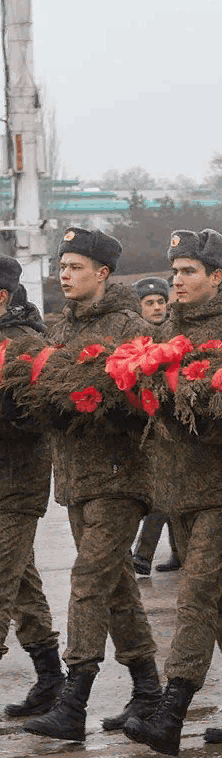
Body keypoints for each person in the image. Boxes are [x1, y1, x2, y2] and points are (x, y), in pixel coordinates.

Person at [123, 229, 222, 756]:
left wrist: (199, 407)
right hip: (180, 487)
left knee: (196, 596)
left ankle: (172, 709)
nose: (177, 280)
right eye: (175, 270)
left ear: (217, 277)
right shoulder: (166, 330)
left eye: (189, 271)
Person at [24, 228, 161, 742]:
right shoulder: (60, 329)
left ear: (102, 273)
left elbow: (140, 399)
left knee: (87, 583)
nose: (64, 274)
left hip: (120, 477)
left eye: (75, 266)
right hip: (78, 478)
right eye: (61, 266)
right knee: (117, 588)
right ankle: (148, 691)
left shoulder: (128, 326)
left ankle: (73, 700)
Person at [0, 265, 64, 722]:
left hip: (16, 482)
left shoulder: (27, 344)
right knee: (21, 582)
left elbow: (45, 414)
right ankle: (50, 679)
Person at [129, 276, 183, 577]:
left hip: (171, 426)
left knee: (167, 490)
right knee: (164, 491)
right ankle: (167, 552)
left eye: (161, 301)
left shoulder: (174, 333)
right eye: (149, 303)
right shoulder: (137, 338)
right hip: (144, 426)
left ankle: (147, 554)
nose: (157, 307)